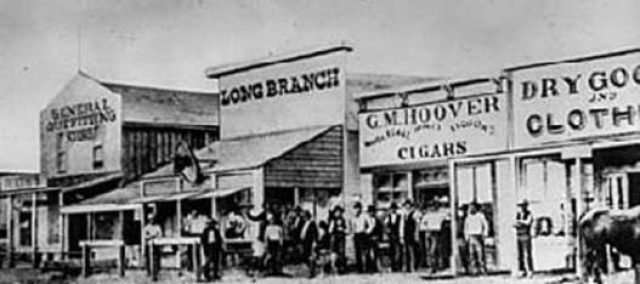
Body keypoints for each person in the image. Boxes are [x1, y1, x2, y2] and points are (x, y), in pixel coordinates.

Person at [464, 202, 489, 275]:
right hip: (471, 236)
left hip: (478, 236)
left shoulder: (480, 216)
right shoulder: (468, 218)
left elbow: (485, 225)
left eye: (472, 207)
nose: (471, 209)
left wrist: (485, 234)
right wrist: (466, 237)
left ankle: (483, 269)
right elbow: (466, 228)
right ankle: (474, 270)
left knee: (480, 253)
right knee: (472, 254)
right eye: (470, 208)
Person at [424, 201, 447, 273]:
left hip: (436, 232)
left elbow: (446, 219)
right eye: (431, 206)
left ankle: (436, 265)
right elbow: (423, 222)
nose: (432, 208)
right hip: (429, 231)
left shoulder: (440, 214)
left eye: (434, 206)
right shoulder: (428, 214)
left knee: (433, 250)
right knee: (429, 250)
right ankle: (431, 265)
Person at [351, 202, 372, 273]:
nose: (356, 210)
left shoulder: (364, 215)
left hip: (363, 234)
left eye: (357, 208)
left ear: (360, 208)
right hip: (356, 235)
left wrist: (367, 231)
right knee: (358, 252)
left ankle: (368, 268)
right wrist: (353, 234)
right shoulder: (353, 217)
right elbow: (353, 227)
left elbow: (371, 225)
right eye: (354, 208)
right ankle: (360, 269)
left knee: (365, 252)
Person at [515, 199, 534, 278]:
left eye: (523, 205)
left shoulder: (529, 214)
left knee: (527, 253)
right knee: (520, 254)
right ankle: (521, 270)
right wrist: (519, 223)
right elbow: (514, 223)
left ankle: (530, 270)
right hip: (519, 234)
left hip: (526, 235)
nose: (522, 207)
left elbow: (528, 222)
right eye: (521, 206)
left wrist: (521, 222)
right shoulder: (518, 214)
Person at [328, 206, 347, 273]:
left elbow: (346, 229)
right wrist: (335, 229)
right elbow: (330, 230)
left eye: (339, 212)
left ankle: (342, 268)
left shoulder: (343, 220)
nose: (338, 213)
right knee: (334, 252)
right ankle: (334, 267)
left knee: (341, 252)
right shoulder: (333, 220)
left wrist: (343, 229)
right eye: (337, 212)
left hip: (341, 237)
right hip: (335, 237)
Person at [385, 202, 404, 272]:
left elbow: (401, 227)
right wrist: (388, 230)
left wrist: (401, 236)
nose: (393, 210)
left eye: (394, 208)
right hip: (391, 236)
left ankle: (399, 266)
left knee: (399, 251)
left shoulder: (399, 216)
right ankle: (393, 266)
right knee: (391, 251)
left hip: (397, 235)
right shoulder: (388, 216)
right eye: (392, 208)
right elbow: (386, 225)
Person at [299, 210, 319, 278]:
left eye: (304, 216)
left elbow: (315, 233)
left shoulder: (312, 223)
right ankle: (311, 269)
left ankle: (311, 272)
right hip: (305, 242)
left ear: (307, 216)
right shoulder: (304, 223)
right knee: (305, 256)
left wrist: (314, 241)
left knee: (310, 257)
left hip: (310, 242)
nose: (303, 217)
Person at [402, 199, 420, 272]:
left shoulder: (415, 213)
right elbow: (402, 226)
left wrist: (416, 234)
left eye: (408, 205)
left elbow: (417, 225)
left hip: (412, 234)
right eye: (406, 205)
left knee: (413, 251)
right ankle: (407, 267)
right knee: (406, 251)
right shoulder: (404, 214)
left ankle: (414, 266)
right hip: (406, 234)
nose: (407, 207)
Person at [365, 205, 382, 273]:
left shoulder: (377, 220)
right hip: (368, 239)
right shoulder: (366, 220)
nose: (371, 213)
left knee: (375, 254)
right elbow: (364, 229)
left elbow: (380, 230)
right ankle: (368, 268)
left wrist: (378, 237)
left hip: (375, 239)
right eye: (370, 212)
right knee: (368, 254)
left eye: (372, 212)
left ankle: (375, 268)